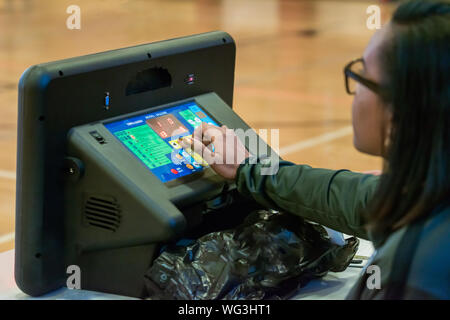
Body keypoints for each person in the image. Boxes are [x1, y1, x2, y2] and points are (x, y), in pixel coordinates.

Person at [179, 0, 450, 299]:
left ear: (401, 109)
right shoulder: (430, 194)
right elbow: (359, 198)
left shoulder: (414, 269)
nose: (355, 90)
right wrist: (249, 168)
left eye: (362, 76)